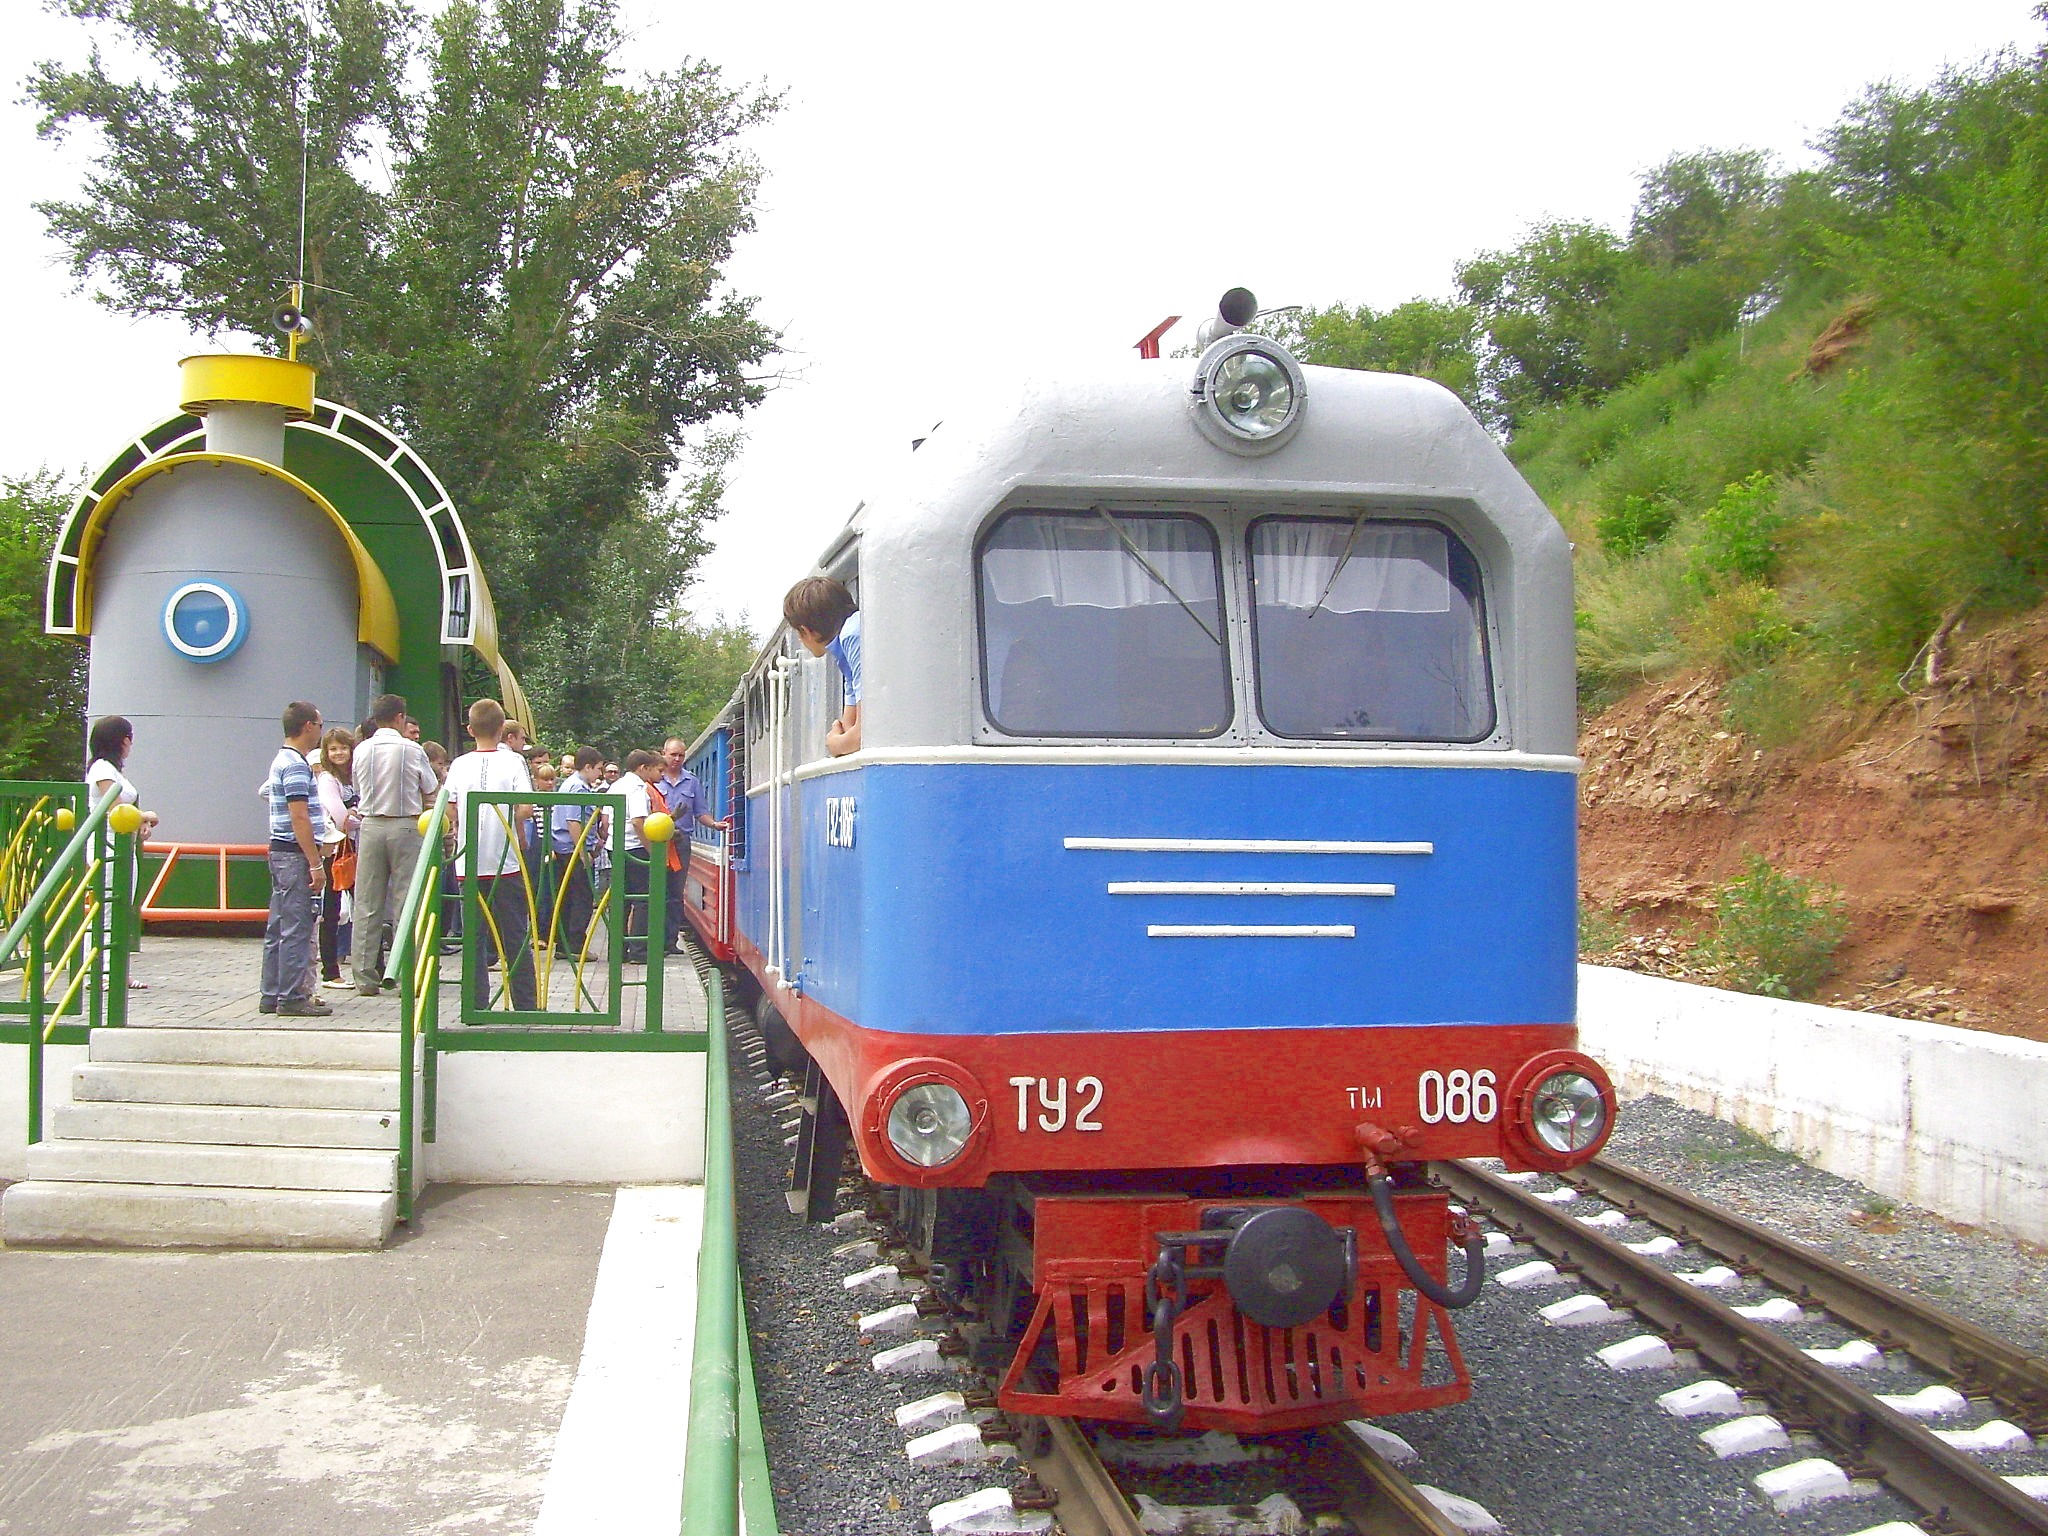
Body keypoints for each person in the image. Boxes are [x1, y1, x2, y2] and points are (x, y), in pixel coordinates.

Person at [445, 698, 537, 1011]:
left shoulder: (459, 764)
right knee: (515, 933)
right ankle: (525, 1003)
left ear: (470, 730)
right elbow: (526, 808)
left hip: (468, 861)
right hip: (505, 859)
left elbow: (450, 807)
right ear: (501, 729)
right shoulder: (513, 762)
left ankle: (474, 1004)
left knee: (473, 937)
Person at [348, 694, 439, 996]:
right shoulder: (411, 749)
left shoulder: (362, 749)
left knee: (367, 902)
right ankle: (409, 976)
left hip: (370, 824)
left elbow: (358, 787)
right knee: (407, 900)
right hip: (405, 824)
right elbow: (430, 786)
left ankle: (364, 976)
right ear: (400, 718)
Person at [261, 701, 330, 1017]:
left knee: (278, 925)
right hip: (295, 854)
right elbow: (299, 816)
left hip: (279, 851)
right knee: (297, 927)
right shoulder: (297, 766)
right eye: (320, 725)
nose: (321, 731)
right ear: (308, 726)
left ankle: (271, 993)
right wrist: (315, 862)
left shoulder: (282, 760)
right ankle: (291, 997)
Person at [84, 715, 160, 990]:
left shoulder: (113, 770)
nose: (130, 744)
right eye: (129, 738)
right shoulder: (102, 769)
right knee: (105, 908)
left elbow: (126, 813)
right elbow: (115, 808)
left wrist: (140, 822)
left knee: (120, 908)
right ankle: (98, 971)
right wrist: (146, 816)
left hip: (122, 845)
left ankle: (115, 970)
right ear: (121, 740)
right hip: (105, 846)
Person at [654, 737, 729, 955]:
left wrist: (714, 824)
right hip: (657, 843)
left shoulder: (691, 781)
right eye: (673, 755)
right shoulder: (655, 780)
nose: (677, 759)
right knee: (656, 890)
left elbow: (700, 811)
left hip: (681, 842)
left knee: (675, 893)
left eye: (681, 755)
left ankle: (669, 942)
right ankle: (653, 940)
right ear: (664, 753)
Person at [784, 576, 862, 755]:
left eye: (798, 632)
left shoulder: (853, 636)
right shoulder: (844, 649)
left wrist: (835, 744)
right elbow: (848, 726)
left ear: (805, 631)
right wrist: (844, 739)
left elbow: (862, 735)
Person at [314, 727, 361, 990]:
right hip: (335, 849)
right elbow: (341, 817)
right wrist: (358, 817)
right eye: (333, 749)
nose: (339, 753)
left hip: (355, 847)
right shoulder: (328, 780)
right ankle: (330, 971)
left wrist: (356, 816)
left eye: (343, 747)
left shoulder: (355, 776)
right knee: (331, 910)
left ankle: (373, 967)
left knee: (364, 906)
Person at [550, 747, 606, 957]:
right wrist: (583, 853)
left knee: (568, 898)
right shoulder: (579, 788)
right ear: (588, 767)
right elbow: (573, 821)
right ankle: (574, 946)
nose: (600, 774)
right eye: (598, 769)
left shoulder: (570, 784)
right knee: (581, 898)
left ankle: (564, 945)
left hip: (565, 848)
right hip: (573, 850)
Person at [617, 748, 661, 964]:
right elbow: (638, 821)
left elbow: (605, 821)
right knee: (642, 899)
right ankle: (638, 950)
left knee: (620, 901)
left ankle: (618, 950)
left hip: (615, 847)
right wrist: (650, 849)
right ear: (643, 768)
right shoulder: (637, 789)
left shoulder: (617, 785)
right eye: (651, 769)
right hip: (635, 848)